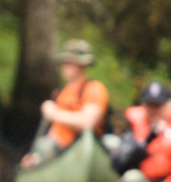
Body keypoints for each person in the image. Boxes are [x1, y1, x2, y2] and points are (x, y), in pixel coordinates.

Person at [20, 40, 109, 168]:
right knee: (38, 151)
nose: (65, 66)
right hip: (56, 150)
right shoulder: (59, 92)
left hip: (79, 150)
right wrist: (36, 156)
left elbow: (88, 121)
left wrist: (54, 113)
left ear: (82, 65)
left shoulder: (94, 89)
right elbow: (54, 132)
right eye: (65, 62)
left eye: (71, 62)